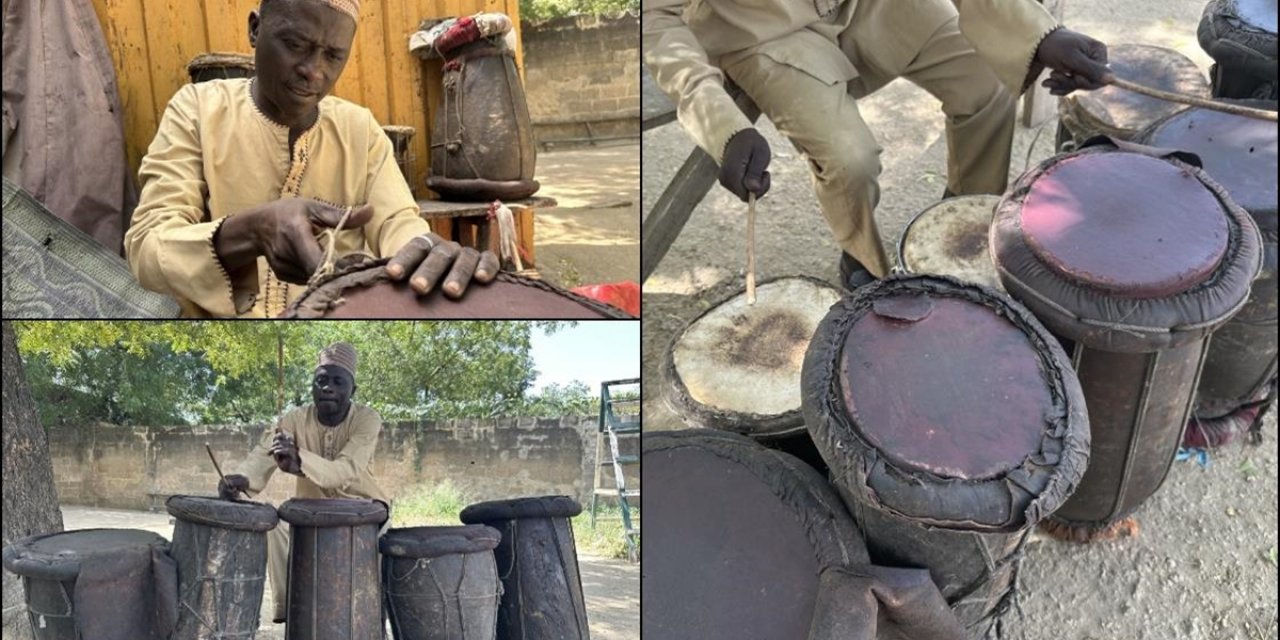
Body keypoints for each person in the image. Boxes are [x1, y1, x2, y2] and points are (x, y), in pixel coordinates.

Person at [643, 0, 1114, 289]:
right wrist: (721, 124)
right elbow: (658, 20)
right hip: (760, 34)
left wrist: (1040, 33)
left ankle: (961, 226)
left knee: (988, 80)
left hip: (873, 6)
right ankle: (862, 257)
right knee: (849, 158)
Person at [125, 0, 500, 317]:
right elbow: (147, 247)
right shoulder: (198, 109)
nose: (314, 71)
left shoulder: (360, 129)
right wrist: (252, 231)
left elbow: (398, 223)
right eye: (294, 43)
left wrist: (427, 255)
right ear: (255, 29)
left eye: (334, 55)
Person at [217, 342, 387, 623]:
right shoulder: (295, 418)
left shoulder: (367, 419)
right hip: (313, 511)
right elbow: (263, 453)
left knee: (374, 566)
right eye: (320, 381)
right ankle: (290, 608)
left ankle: (370, 618)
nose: (327, 388)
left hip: (364, 509)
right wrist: (243, 479)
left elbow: (346, 469)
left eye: (337, 381)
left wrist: (300, 462)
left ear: (352, 390)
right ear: (312, 386)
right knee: (276, 528)